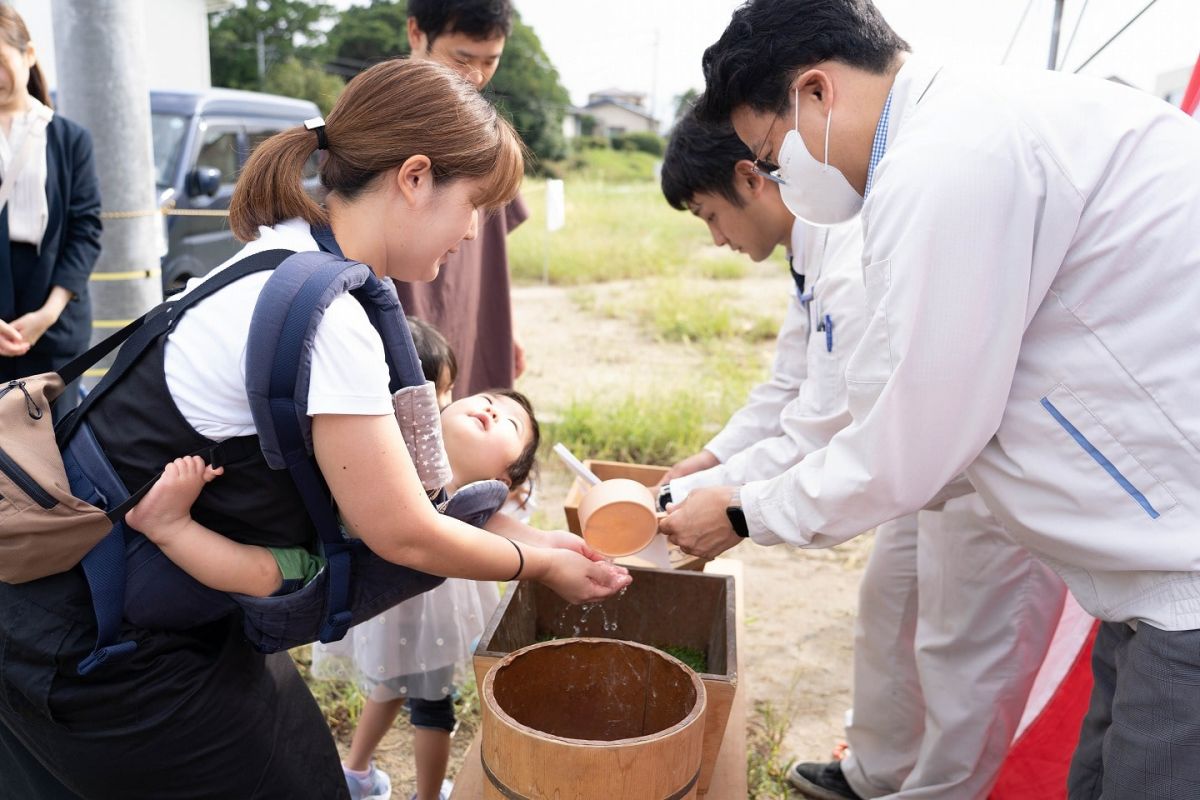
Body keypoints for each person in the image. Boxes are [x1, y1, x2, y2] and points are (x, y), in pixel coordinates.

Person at [0, 58, 629, 800]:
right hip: (104, 651)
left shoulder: (283, 253)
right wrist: (539, 566)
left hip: (70, 610)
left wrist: (529, 539)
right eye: (474, 203)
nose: (473, 230)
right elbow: (402, 532)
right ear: (416, 177)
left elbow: (402, 496)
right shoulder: (330, 321)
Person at [662, 0, 1200, 796]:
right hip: (1143, 568)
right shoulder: (948, 140)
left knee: (982, 666)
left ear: (816, 93)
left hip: (1175, 562)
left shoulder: (949, 156)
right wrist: (734, 489)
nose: (777, 178)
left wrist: (746, 510)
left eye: (771, 156)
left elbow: (907, 438)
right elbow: (861, 401)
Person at [660, 110, 1067, 800]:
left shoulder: (847, 257)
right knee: (891, 611)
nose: (716, 238)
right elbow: (789, 385)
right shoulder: (806, 250)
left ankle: (939, 791)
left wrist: (731, 508)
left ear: (749, 178)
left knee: (966, 655)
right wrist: (713, 459)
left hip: (984, 475)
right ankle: (876, 771)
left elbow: (825, 429)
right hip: (920, 463)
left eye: (710, 216)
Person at [315, 319, 539, 800]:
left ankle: (362, 774)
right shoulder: (403, 464)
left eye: (510, 422)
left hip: (413, 616)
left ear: (507, 476)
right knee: (423, 703)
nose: (492, 409)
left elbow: (526, 534)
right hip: (410, 615)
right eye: (487, 400)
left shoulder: (483, 497)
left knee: (408, 696)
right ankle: (403, 787)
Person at [394, 0, 528, 397]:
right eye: (462, 57)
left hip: (470, 312)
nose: (476, 76)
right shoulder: (378, 123)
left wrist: (506, 326)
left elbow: (494, 249)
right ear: (416, 33)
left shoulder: (483, 129)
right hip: (402, 323)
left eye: (491, 61)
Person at [0, 6, 101, 412]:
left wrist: (49, 313)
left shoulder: (69, 137)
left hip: (56, 316)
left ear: (29, 55)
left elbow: (85, 229)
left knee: (57, 446)